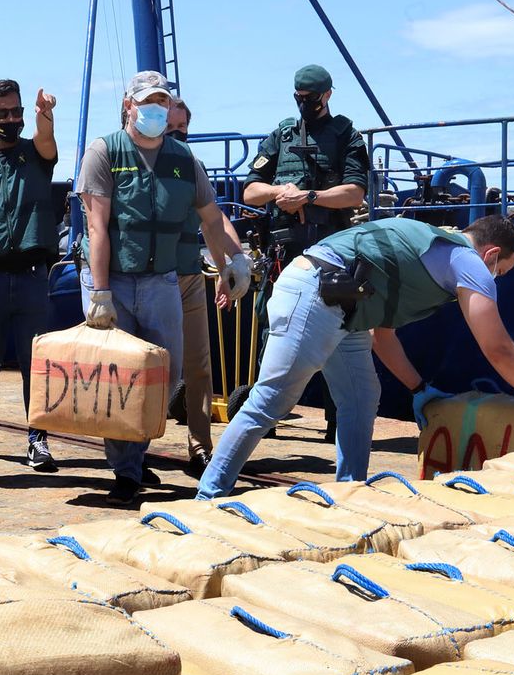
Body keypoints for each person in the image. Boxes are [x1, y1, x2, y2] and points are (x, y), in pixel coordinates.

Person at [195, 214, 514, 498]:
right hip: (317, 292)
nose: (495, 277)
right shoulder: (467, 261)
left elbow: (382, 336)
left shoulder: (427, 249)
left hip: (344, 306)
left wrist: (419, 390)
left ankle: (348, 494)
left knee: (361, 397)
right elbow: (497, 348)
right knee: (271, 400)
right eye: (500, 271)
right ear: (492, 254)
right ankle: (208, 497)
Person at [76, 70, 251, 506]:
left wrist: (231, 264)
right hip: (114, 279)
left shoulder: (184, 160)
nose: (156, 110)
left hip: (163, 281)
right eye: (148, 102)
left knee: (164, 376)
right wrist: (100, 293)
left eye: (162, 102)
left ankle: (133, 456)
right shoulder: (103, 152)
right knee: (121, 375)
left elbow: (211, 218)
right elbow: (97, 227)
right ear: (128, 106)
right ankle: (126, 471)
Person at [242, 64, 372, 440]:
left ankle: (337, 421)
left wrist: (310, 196)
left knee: (337, 329)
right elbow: (250, 191)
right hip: (285, 250)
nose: (304, 104)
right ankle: (266, 418)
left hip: (333, 251)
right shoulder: (280, 135)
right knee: (273, 327)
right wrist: (280, 191)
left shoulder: (346, 135)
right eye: (298, 97)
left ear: (327, 95)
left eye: (311, 98)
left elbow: (355, 193)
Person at [0, 78, 60, 472]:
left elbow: (46, 138)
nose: (10, 119)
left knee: (34, 364)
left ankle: (37, 440)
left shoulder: (36, 154)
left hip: (32, 277)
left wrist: (45, 115)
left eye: (16, 111)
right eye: (2, 113)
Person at [165, 99, 244, 478]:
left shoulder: (190, 166)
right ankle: (133, 450)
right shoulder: (131, 161)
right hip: (144, 279)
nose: (177, 134)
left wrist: (233, 262)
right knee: (151, 367)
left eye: (182, 128)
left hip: (187, 274)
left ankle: (200, 447)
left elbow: (213, 218)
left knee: (199, 365)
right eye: (170, 127)